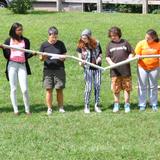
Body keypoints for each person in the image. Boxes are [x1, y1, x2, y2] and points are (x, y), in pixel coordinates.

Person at [3, 22, 34, 115]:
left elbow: (26, 55)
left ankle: (27, 110)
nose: (20, 31)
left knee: (24, 89)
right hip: (12, 65)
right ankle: (16, 110)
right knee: (13, 88)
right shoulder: (8, 41)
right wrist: (3, 48)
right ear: (14, 31)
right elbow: (6, 56)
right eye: (18, 30)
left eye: (21, 29)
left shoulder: (26, 41)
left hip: (22, 65)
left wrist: (32, 54)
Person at [40, 26, 67, 115]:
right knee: (48, 89)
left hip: (59, 69)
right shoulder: (44, 45)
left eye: (56, 37)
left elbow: (65, 56)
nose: (54, 39)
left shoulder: (61, 44)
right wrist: (43, 56)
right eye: (52, 37)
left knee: (59, 89)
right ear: (49, 35)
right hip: (48, 70)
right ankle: (49, 108)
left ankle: (61, 107)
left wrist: (62, 57)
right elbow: (40, 58)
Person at [106, 26, 134, 113]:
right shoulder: (109, 45)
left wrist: (129, 58)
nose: (113, 37)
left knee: (127, 88)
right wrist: (111, 64)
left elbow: (132, 53)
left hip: (125, 71)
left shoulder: (125, 43)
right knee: (116, 89)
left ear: (118, 34)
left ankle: (127, 105)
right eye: (111, 36)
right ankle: (116, 104)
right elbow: (107, 57)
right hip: (115, 72)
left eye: (114, 35)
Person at [76, 29, 102, 113]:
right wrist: (81, 62)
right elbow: (79, 58)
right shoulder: (80, 46)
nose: (84, 39)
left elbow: (100, 53)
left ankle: (96, 105)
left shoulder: (97, 43)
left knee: (97, 86)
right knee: (88, 87)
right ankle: (86, 106)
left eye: (85, 38)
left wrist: (99, 58)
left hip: (97, 68)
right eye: (82, 38)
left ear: (89, 37)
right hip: (88, 69)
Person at [135, 29, 160, 111]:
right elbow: (136, 53)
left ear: (153, 38)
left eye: (148, 38)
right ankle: (142, 104)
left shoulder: (158, 43)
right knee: (142, 86)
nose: (146, 39)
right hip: (142, 67)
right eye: (146, 37)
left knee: (153, 86)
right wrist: (137, 56)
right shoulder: (141, 43)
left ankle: (154, 103)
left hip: (154, 67)